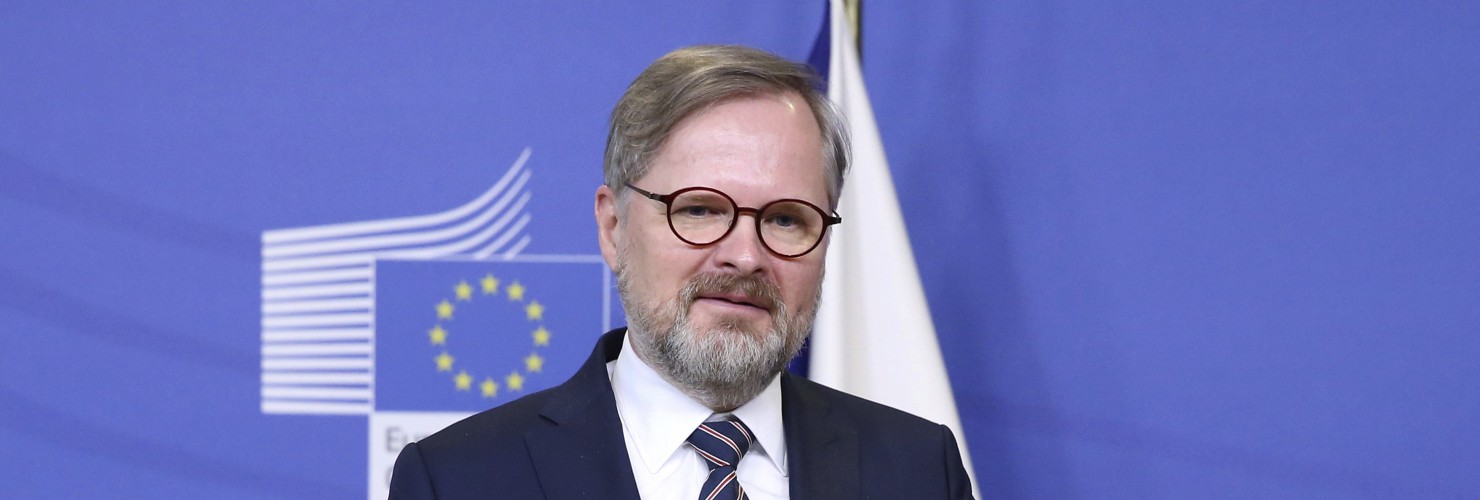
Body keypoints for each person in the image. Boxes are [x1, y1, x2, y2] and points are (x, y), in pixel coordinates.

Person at [389, 44, 973, 500]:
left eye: (787, 220)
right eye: (700, 210)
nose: (745, 256)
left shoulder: (919, 469)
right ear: (614, 227)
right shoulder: (460, 480)